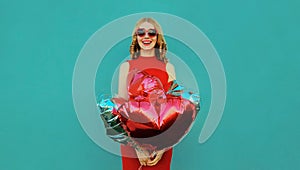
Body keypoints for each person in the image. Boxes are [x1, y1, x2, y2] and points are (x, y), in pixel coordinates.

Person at [117, 17, 175, 170]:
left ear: (158, 37)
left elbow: (174, 111)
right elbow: (121, 108)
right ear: (135, 38)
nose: (146, 37)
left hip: (162, 143)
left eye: (152, 33)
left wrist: (163, 146)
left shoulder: (168, 67)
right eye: (141, 33)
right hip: (132, 143)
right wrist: (136, 147)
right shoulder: (126, 67)